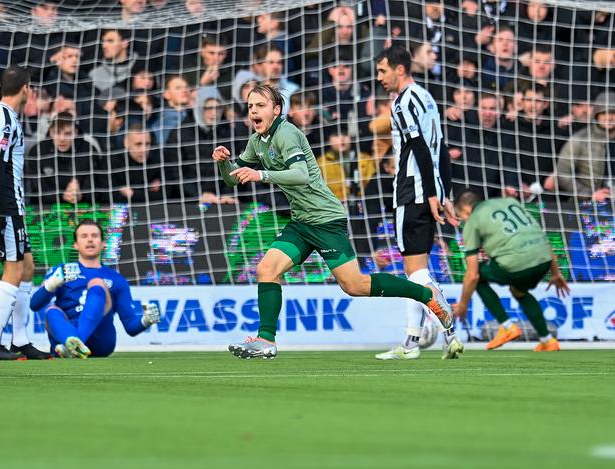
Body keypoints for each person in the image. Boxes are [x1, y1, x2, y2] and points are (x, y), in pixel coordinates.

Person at [214, 84, 456, 360]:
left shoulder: (287, 134)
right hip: (302, 222)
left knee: (355, 286)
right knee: (267, 269)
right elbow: (234, 178)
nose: (253, 111)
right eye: (250, 107)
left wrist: (262, 176)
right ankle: (266, 340)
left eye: (260, 105)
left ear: (277, 110)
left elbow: (301, 174)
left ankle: (425, 294)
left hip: (326, 219)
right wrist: (224, 162)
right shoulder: (257, 142)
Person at [373, 44, 464, 361]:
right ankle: (412, 341)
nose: (380, 77)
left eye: (383, 71)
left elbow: (422, 150)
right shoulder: (427, 98)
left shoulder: (402, 104)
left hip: (412, 191)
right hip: (431, 189)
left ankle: (446, 326)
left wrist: (428, 193)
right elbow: (441, 148)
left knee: (414, 272)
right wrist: (444, 193)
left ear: (400, 69)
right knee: (417, 269)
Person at [0, 66, 50, 361]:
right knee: (14, 268)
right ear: (27, 88)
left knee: (27, 265)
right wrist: (5, 211)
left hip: (6, 202)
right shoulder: (5, 118)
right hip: (2, 204)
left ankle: (20, 339)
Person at [451, 190, 570, 352]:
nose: (464, 220)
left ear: (466, 210)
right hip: (544, 260)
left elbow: (472, 275)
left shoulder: (473, 220)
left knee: (477, 276)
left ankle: (507, 326)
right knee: (519, 291)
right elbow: (541, 236)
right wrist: (556, 273)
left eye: (461, 216)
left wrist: (463, 304)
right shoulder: (510, 202)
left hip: (517, 263)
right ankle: (548, 340)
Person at [29, 219, 161, 358]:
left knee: (97, 284)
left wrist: (146, 321)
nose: (90, 240)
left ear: (103, 244)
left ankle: (75, 344)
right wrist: (52, 283)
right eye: (84, 236)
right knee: (52, 310)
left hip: (100, 341)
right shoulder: (61, 271)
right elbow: (34, 305)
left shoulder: (117, 279)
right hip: (66, 333)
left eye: (95, 236)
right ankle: (71, 342)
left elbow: (131, 327)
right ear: (75, 245)